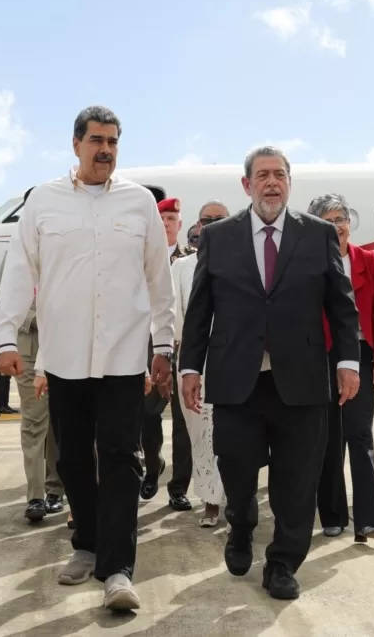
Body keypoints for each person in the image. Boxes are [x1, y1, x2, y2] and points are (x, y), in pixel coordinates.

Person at [0, 105, 175, 611]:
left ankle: (117, 569)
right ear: (76, 144)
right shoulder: (44, 202)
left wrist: (163, 345)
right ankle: (88, 545)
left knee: (121, 460)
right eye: (96, 140)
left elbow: (160, 279)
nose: (106, 150)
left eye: (113, 141)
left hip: (122, 356)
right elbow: (17, 270)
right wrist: (5, 337)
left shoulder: (138, 203)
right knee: (71, 459)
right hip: (64, 356)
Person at [180, 145, 360, 601]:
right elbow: (200, 308)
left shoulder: (318, 234)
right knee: (236, 468)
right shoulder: (219, 237)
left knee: (297, 478)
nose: (272, 182)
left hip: (301, 378)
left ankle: (282, 562)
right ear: (247, 185)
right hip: (237, 378)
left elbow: (341, 304)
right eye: (262, 175)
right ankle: (241, 525)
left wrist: (347, 361)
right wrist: (189, 366)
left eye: (279, 174)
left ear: (289, 183)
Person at [309, 194, 374, 543]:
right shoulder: (308, 262)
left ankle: (368, 518)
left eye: (341, 218)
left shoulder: (369, 260)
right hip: (321, 355)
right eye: (328, 220)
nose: (337, 226)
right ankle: (333, 515)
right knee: (327, 438)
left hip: (361, 353)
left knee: (359, 434)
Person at [171, 200, 230, 527]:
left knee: (234, 432)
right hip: (196, 359)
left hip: (236, 358)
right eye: (205, 221)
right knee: (201, 432)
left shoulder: (244, 262)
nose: (210, 226)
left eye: (218, 220)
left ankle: (236, 497)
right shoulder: (182, 267)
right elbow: (176, 317)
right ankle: (209, 500)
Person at [140, 196, 194, 509]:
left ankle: (178, 487)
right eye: (161, 220)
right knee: (147, 413)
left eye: (171, 220)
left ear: (179, 225)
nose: (166, 225)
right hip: (152, 348)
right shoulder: (143, 260)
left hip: (184, 348)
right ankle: (152, 467)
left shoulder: (192, 260)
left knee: (184, 420)